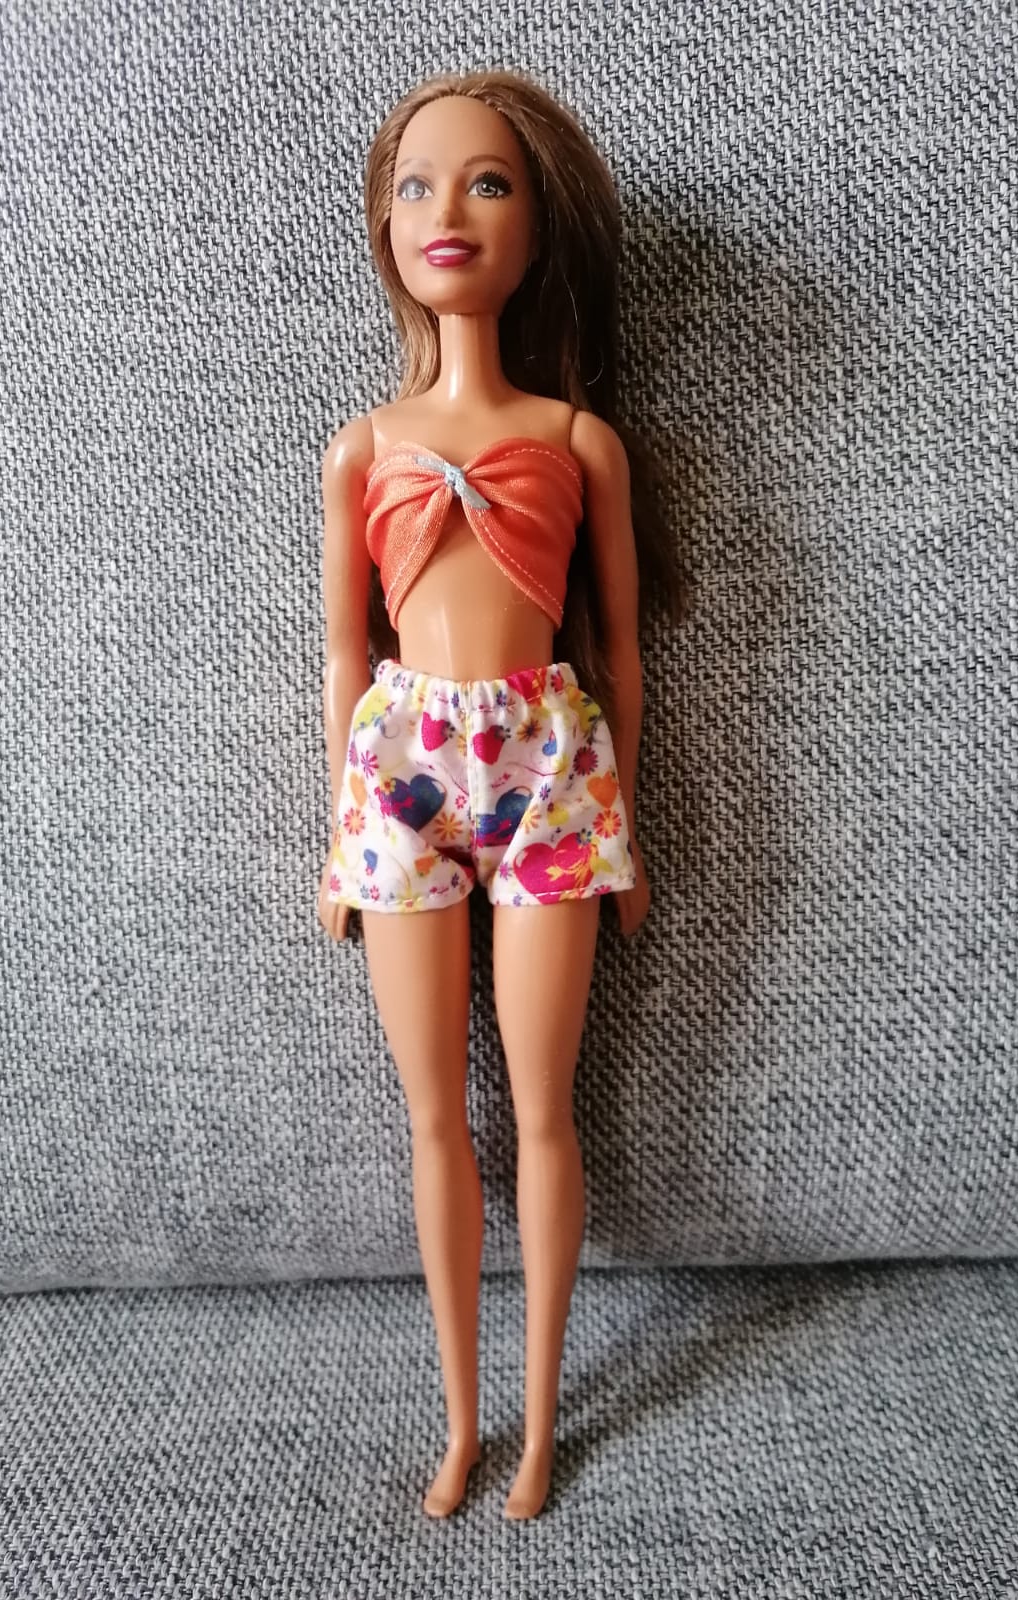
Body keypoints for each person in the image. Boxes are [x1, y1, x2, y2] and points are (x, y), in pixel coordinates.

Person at [316, 68, 683, 1520]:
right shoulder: (363, 447)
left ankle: (539, 1425)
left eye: (487, 182)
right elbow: (345, 653)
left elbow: (623, 653)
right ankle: (462, 1421)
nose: (448, 212)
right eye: (416, 184)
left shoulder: (580, 441)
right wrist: (339, 840)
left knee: (543, 1108)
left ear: (540, 225)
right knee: (433, 1117)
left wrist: (627, 830)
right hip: (403, 766)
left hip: (551, 769)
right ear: (384, 227)